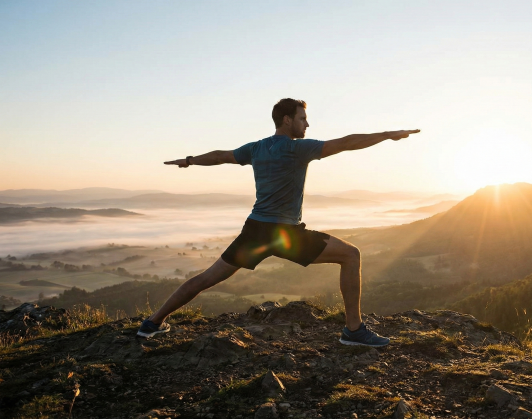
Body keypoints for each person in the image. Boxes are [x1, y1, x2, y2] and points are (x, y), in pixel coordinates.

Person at [136, 98, 420, 347]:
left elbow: (221, 156)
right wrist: (387, 135)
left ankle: (152, 323)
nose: (307, 124)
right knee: (351, 255)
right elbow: (346, 143)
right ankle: (354, 330)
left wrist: (189, 160)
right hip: (286, 233)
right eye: (302, 118)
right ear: (287, 120)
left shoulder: (256, 149)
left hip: (256, 231)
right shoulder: (298, 149)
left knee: (207, 278)